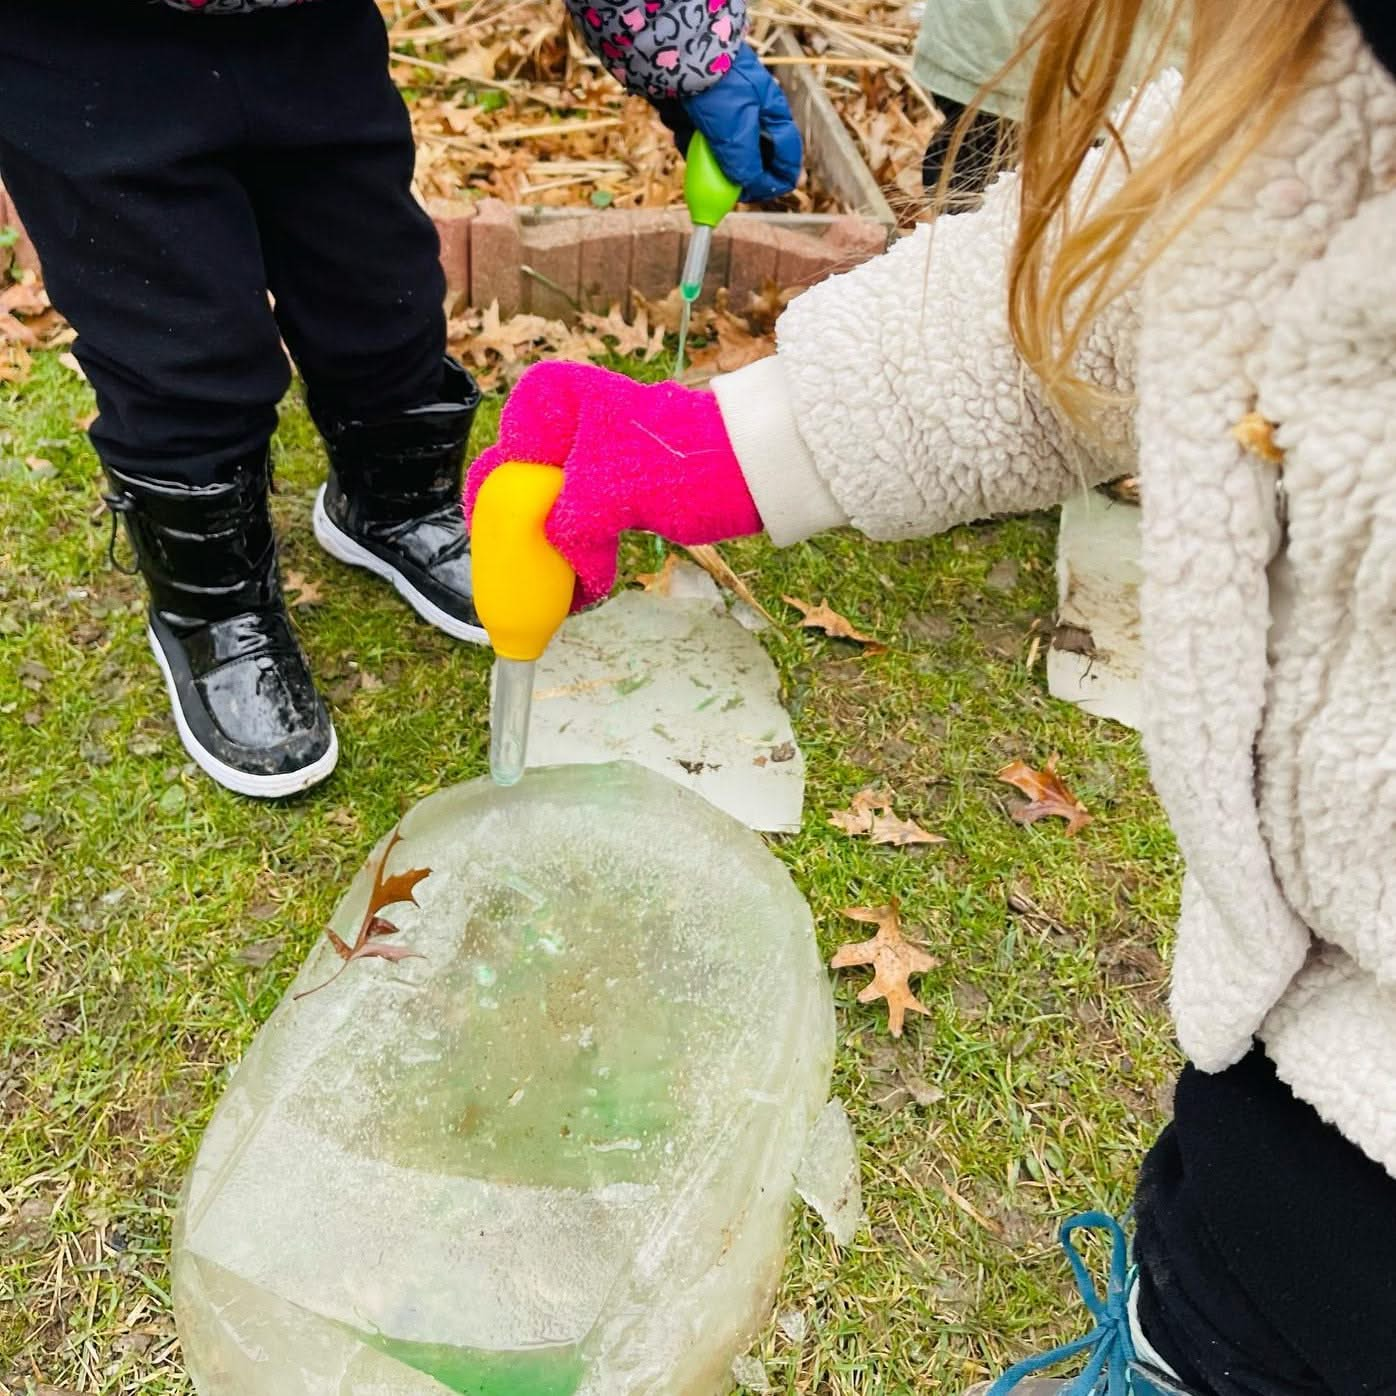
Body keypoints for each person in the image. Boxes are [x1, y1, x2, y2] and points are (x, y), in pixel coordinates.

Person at [465, 0, 1396, 1390]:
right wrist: (722, 446)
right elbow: (1138, 263)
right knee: (1214, 1297)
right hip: (1275, 1111)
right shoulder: (1340, 77)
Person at [0, 0, 800, 799]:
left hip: (311, 29)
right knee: (179, 343)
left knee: (379, 290)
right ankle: (212, 611)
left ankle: (391, 506)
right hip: (83, 55)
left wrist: (687, 53)